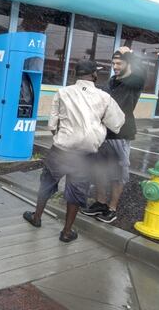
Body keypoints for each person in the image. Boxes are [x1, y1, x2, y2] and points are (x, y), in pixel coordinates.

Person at [23, 60, 125, 242]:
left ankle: (36, 217)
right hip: (85, 155)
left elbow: (52, 125)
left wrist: (64, 136)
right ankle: (66, 232)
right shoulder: (104, 97)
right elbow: (117, 123)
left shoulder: (62, 93)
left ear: (76, 75)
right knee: (77, 191)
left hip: (61, 150)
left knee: (47, 182)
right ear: (94, 75)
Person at [81, 46, 145, 223]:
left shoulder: (134, 82)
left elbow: (142, 72)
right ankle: (101, 203)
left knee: (118, 173)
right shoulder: (112, 81)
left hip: (121, 134)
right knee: (99, 169)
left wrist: (131, 55)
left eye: (119, 63)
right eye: (113, 63)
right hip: (103, 133)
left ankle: (112, 209)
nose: (115, 66)